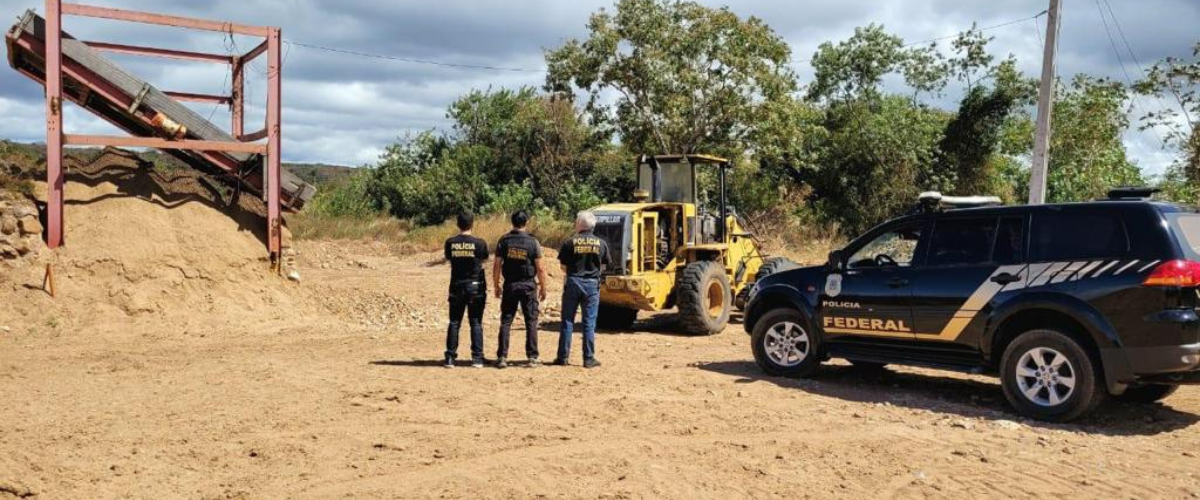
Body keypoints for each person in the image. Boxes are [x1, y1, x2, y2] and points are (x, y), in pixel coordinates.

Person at [554, 210, 610, 368]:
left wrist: (574, 275)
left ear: (579, 224)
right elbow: (603, 266)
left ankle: (563, 357)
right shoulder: (602, 243)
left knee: (567, 321)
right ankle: (588, 358)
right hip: (592, 284)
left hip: (573, 282)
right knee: (589, 323)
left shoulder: (569, 242)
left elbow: (563, 266)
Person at [493, 210, 548, 369]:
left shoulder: (504, 240)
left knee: (506, 320)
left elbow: (497, 265)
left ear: (512, 222)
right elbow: (541, 268)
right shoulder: (533, 242)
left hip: (510, 285)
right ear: (527, 222)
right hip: (528, 286)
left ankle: (502, 357)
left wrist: (496, 285)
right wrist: (543, 288)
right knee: (531, 321)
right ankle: (532, 357)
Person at [443, 212, 489, 368]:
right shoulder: (480, 243)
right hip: (475, 286)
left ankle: (450, 357)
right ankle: (477, 358)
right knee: (475, 322)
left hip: (456, 285)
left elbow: (449, 259)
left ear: (458, 224)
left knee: (454, 322)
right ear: (472, 224)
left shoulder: (450, 243)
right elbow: (484, 259)